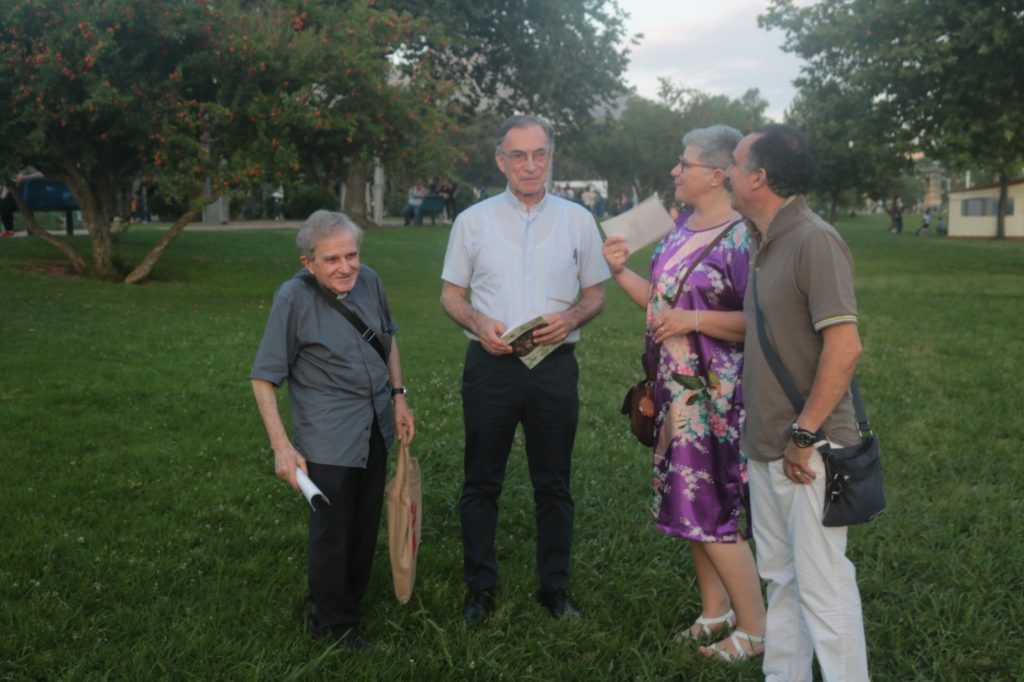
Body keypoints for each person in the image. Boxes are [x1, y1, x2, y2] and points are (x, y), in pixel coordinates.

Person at [602, 125, 766, 663]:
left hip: (717, 400)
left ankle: (756, 630)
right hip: (677, 395)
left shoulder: (744, 236)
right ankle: (714, 614)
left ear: (718, 174)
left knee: (715, 511)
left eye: (685, 163)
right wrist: (620, 272)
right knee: (693, 510)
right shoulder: (679, 229)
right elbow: (659, 306)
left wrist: (693, 318)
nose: (676, 171)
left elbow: (762, 323)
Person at [440, 114, 609, 625]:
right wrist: (477, 320)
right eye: (518, 155)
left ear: (550, 157)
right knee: (481, 481)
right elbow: (451, 295)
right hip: (491, 366)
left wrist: (572, 317)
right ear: (501, 160)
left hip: (554, 367)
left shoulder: (578, 219)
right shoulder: (473, 220)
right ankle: (480, 589)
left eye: (539, 154)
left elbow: (595, 294)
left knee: (553, 483)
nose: (529, 165)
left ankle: (555, 588)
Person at [727, 124, 869, 680]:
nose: (727, 173)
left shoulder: (814, 239)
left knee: (825, 588)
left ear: (758, 177)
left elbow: (846, 346)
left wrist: (804, 435)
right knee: (782, 580)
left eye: (735, 164)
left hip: (810, 450)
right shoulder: (765, 241)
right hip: (768, 445)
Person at [250, 210, 415, 650]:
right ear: (309, 263)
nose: (345, 267)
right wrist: (282, 447)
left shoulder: (371, 280)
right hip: (328, 436)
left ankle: (345, 601)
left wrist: (399, 395)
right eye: (331, 260)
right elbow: (263, 377)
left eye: (351, 255)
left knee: (363, 525)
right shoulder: (292, 298)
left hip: (377, 425)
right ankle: (333, 624)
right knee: (333, 531)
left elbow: (388, 337)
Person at [1, 169, 45, 237]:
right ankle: (8, 230)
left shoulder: (31, 166)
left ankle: (8, 230)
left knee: (6, 202)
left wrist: (24, 177)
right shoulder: (13, 168)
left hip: (29, 193)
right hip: (15, 194)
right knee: (5, 202)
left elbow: (42, 174)